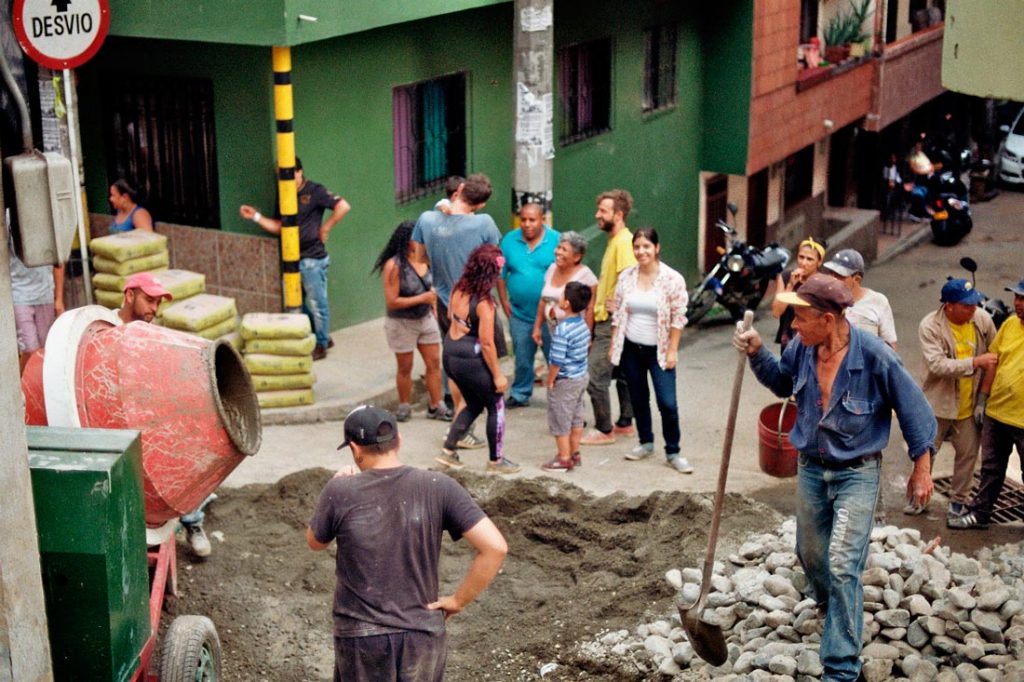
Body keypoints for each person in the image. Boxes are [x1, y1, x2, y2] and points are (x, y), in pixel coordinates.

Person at [732, 273, 936, 682]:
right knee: (810, 552)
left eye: (800, 318)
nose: (792, 326)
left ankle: (841, 666)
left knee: (844, 563)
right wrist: (757, 352)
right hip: (811, 467)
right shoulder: (802, 350)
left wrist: (922, 468)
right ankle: (836, 603)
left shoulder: (875, 356)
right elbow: (780, 382)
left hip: (856, 473)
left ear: (827, 319)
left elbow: (915, 410)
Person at [306, 405, 507, 682]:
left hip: (362, 637)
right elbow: (495, 547)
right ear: (398, 441)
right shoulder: (439, 485)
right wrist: (458, 601)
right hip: (422, 634)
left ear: (354, 449)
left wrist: (334, 487)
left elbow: (315, 542)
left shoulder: (341, 490)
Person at [117, 272, 215, 558]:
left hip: (148, 423)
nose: (154, 309)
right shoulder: (107, 328)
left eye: (158, 303)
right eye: (149, 300)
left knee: (186, 448)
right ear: (129, 295)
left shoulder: (153, 336)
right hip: (112, 423)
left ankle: (192, 522)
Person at [412, 173, 502, 450]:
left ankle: (460, 429)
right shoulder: (484, 223)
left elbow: (419, 258)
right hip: (476, 303)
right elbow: (496, 259)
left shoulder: (427, 220)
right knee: (483, 360)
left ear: (460, 190)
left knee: (455, 366)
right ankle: (466, 427)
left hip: (444, 303)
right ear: (481, 203)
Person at [240, 157, 351, 360]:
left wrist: (326, 227)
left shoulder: (314, 190)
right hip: (292, 258)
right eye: (281, 176)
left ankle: (321, 343)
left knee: (318, 303)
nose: (286, 180)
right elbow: (279, 227)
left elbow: (343, 206)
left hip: (312, 259)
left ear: (300, 172)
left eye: (290, 174)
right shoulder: (283, 195)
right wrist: (255, 217)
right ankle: (321, 334)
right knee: (296, 304)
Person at [608, 228, 692, 473]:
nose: (641, 251)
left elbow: (679, 316)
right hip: (631, 348)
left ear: (657, 248)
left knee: (667, 403)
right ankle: (645, 443)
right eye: (637, 247)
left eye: (646, 246)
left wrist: (673, 350)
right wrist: (615, 343)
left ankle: (673, 451)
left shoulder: (672, 279)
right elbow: (619, 313)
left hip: (660, 350)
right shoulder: (626, 277)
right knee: (638, 398)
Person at [918, 278, 998, 524]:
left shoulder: (982, 319)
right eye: (967, 305)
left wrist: (983, 399)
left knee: (968, 455)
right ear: (949, 306)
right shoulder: (930, 326)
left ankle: (959, 501)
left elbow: (995, 355)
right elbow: (937, 365)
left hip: (970, 402)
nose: (973, 308)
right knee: (925, 452)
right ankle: (919, 495)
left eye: (974, 303)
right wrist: (975, 362)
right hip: (938, 402)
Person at [435, 245, 519, 474]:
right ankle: (496, 460)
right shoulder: (485, 303)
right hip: (470, 358)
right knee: (496, 405)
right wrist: (498, 375)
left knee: (472, 403)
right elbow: (487, 343)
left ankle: (448, 451)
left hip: (450, 354)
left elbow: (449, 316)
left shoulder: (457, 290)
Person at [948, 278, 1024, 530]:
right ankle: (980, 514)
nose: (1018, 303)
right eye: (1017, 297)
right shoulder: (1011, 324)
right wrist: (982, 400)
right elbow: (993, 361)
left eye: (1023, 299)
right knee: (990, 468)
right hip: (997, 412)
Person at [372, 221, 450, 423]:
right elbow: (392, 301)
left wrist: (432, 307)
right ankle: (404, 405)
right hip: (401, 323)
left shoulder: (428, 260)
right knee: (405, 367)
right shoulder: (394, 266)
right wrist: (422, 298)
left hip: (425, 319)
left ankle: (436, 405)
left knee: (434, 363)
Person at [582, 189, 637, 446]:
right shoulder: (616, 241)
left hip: (611, 323)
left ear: (619, 214)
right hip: (615, 320)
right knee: (624, 372)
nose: (597, 215)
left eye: (603, 211)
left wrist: (618, 305)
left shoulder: (624, 242)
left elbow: (628, 276)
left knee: (594, 376)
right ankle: (625, 422)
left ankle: (604, 429)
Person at [497, 203, 559, 408]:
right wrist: (504, 300)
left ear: (542, 219)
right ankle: (520, 393)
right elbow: (501, 273)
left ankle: (559, 398)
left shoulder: (557, 240)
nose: (527, 224)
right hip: (521, 315)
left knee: (556, 359)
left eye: (532, 220)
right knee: (522, 358)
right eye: (523, 219)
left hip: (552, 316)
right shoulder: (508, 241)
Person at [541, 282, 593, 472]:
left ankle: (563, 458)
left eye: (562, 296)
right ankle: (574, 452)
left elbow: (556, 360)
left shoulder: (563, 330)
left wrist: (551, 379)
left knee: (560, 418)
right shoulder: (581, 324)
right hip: (580, 377)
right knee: (576, 416)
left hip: (565, 380)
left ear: (566, 304)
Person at [9, 231, 64, 373]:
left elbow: (59, 263)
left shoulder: (44, 220)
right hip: (19, 294)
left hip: (45, 294)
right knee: (30, 350)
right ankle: (19, 386)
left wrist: (59, 299)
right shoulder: (7, 220)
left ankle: (38, 388)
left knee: (45, 350)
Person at [822, 249, 897, 349]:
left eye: (840, 276)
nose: (833, 279)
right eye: (831, 273)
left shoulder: (878, 301)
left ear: (856, 279)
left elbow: (890, 347)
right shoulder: (823, 301)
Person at [533, 231, 598, 341]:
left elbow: (590, 309)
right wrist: (537, 327)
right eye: (558, 247)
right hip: (553, 334)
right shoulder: (552, 268)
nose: (558, 252)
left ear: (576, 257)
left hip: (574, 337)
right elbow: (543, 300)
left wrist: (587, 339)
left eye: (564, 250)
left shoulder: (587, 276)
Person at [772, 236, 826, 350]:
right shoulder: (786, 277)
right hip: (789, 342)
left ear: (819, 262)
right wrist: (790, 286)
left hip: (813, 342)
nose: (803, 263)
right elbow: (776, 312)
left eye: (809, 259)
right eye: (801, 257)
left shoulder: (824, 283)